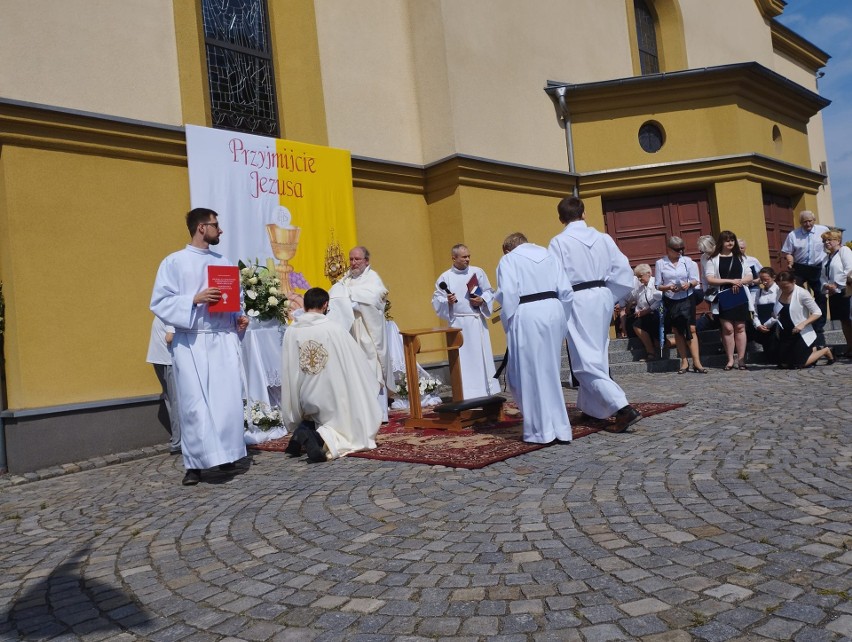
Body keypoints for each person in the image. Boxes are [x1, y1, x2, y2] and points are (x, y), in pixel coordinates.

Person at [150, 208, 249, 486]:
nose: (220, 230)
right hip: (191, 339)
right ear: (201, 228)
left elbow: (233, 299)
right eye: (215, 225)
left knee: (226, 403)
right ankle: (194, 465)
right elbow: (159, 303)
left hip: (221, 338)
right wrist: (194, 299)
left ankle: (227, 455)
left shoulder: (224, 261)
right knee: (195, 406)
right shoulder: (174, 262)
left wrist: (238, 319)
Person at [548, 196, 642, 433]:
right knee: (597, 354)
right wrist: (612, 297)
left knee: (583, 361)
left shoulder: (558, 242)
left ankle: (622, 407)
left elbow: (554, 277)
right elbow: (623, 271)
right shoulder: (603, 238)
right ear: (584, 213)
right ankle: (593, 410)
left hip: (577, 298)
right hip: (602, 295)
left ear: (560, 218)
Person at [280, 287, 381, 462]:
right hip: (330, 398)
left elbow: (289, 367)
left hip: (305, 398)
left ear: (304, 306)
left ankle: (303, 429)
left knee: (315, 412)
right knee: (347, 426)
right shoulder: (334, 329)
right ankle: (320, 438)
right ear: (326, 304)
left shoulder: (291, 330)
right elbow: (354, 362)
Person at [496, 232, 573, 444]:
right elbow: (566, 292)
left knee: (528, 373)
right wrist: (561, 319)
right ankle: (560, 428)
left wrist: (508, 323)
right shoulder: (550, 255)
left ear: (508, 248)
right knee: (550, 371)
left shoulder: (509, 259)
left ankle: (540, 430)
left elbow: (508, 293)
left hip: (527, 313)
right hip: (553, 310)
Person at [328, 246, 394, 422]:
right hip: (349, 330)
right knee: (352, 369)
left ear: (366, 261)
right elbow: (336, 296)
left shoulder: (373, 279)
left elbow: (376, 300)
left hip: (367, 330)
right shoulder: (346, 279)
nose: (353, 263)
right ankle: (359, 412)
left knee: (371, 367)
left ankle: (378, 413)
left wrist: (353, 303)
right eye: (351, 259)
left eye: (357, 259)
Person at [432, 244, 500, 399]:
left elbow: (490, 292)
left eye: (469, 256)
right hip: (458, 323)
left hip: (476, 321)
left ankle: (486, 391)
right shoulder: (445, 277)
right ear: (454, 258)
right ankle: (466, 392)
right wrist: (447, 301)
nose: (468, 259)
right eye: (464, 257)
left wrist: (482, 300)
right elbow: (436, 298)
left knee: (480, 357)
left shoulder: (477, 272)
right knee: (463, 360)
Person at [655, 236, 708, 374]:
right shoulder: (660, 263)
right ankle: (684, 361)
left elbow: (696, 280)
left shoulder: (688, 262)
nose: (680, 252)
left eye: (682, 249)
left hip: (687, 297)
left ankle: (697, 362)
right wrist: (668, 288)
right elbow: (657, 285)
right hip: (671, 299)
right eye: (677, 250)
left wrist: (688, 284)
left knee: (691, 329)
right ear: (669, 249)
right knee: (677, 330)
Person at [705, 230, 754, 371]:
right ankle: (730, 359)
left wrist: (738, 282)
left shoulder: (741, 258)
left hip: (740, 295)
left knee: (740, 327)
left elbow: (749, 276)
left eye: (732, 240)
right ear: (722, 242)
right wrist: (730, 281)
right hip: (724, 295)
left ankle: (741, 359)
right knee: (727, 329)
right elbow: (710, 279)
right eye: (727, 240)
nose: (730, 242)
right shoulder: (713, 259)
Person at [781, 210, 829, 346]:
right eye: (804, 222)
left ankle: (818, 325)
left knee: (820, 294)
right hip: (800, 267)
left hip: (817, 267)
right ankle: (798, 320)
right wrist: (790, 261)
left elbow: (831, 242)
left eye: (810, 221)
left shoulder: (823, 230)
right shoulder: (793, 235)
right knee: (796, 294)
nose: (807, 224)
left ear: (814, 220)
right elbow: (788, 252)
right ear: (800, 222)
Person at [771, 271, 834, 369]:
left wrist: (803, 324)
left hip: (800, 333)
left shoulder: (802, 293)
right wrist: (775, 313)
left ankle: (825, 350)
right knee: (784, 364)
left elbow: (817, 312)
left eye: (786, 286)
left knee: (799, 364)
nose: (783, 289)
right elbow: (779, 307)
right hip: (786, 332)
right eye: (780, 286)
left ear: (794, 282)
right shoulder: (779, 291)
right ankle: (814, 349)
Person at [146, 316, 182, 455]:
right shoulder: (171, 314)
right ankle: (178, 442)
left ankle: (176, 437)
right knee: (176, 401)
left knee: (170, 400)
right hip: (167, 360)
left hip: (157, 358)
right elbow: (169, 338)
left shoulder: (162, 311)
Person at [819, 229, 852, 357]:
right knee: (842, 320)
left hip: (845, 290)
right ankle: (849, 346)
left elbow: (849, 269)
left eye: (829, 240)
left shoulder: (844, 251)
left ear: (838, 240)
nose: (826, 243)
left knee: (848, 318)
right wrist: (826, 285)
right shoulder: (826, 258)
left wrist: (837, 284)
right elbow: (822, 275)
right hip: (833, 292)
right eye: (824, 241)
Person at [626, 264, 662, 362]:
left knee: (660, 344)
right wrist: (637, 310)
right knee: (636, 324)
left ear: (648, 274)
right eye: (637, 277)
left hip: (658, 315)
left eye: (640, 276)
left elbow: (660, 301)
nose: (639, 279)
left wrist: (647, 310)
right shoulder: (641, 289)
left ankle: (682, 341)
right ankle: (650, 352)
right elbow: (638, 302)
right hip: (646, 316)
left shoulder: (656, 283)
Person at [752, 267, 780, 364]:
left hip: (775, 324)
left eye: (767, 279)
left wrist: (768, 324)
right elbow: (755, 311)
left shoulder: (778, 291)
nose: (764, 282)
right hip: (762, 326)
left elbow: (779, 311)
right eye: (762, 280)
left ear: (773, 278)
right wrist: (758, 325)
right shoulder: (758, 293)